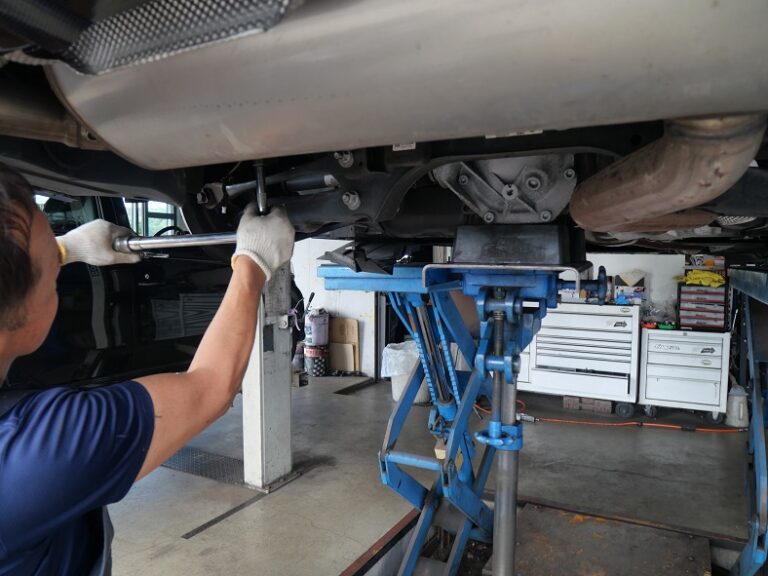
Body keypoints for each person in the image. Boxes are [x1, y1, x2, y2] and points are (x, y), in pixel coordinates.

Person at [0, 164, 295, 575]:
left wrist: (67, 249)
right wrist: (253, 263)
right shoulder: (37, 453)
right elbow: (210, 387)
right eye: (52, 274)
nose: (57, 268)